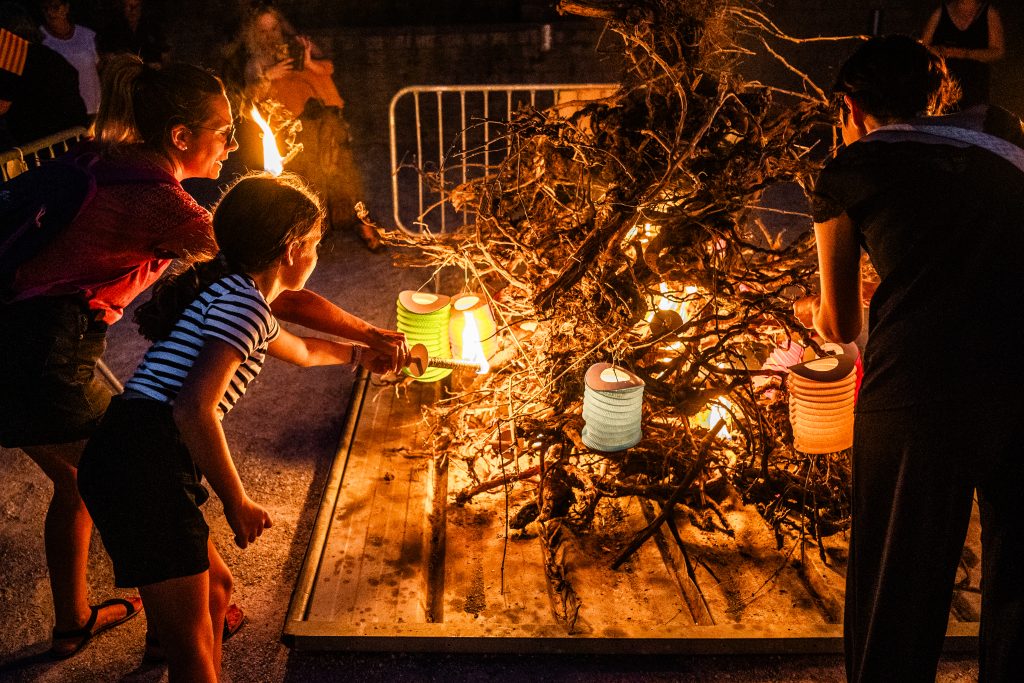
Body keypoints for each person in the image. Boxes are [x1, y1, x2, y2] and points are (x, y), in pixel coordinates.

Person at [0, 52, 405, 660]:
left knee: (79, 478)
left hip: (15, 335)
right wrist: (370, 333)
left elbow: (281, 328)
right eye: (223, 131)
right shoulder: (162, 203)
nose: (232, 142)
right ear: (181, 136)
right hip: (39, 353)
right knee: (130, 478)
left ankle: (77, 621)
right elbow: (270, 284)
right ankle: (188, 606)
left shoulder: (110, 159)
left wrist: (353, 352)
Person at [77, 172, 388, 681]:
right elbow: (193, 410)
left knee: (217, 593)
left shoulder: (237, 295)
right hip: (145, 460)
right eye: (314, 243)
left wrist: (361, 355)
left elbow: (305, 351)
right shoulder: (243, 307)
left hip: (133, 449)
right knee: (193, 656)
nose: (317, 254)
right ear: (290, 250)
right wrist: (236, 501)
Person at [795, 35, 1024, 682]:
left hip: (917, 388)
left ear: (851, 105)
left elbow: (839, 325)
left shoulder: (850, 168)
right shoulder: (1009, 141)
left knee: (899, 583)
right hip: (1018, 381)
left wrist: (810, 310)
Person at [220, 1, 378, 250]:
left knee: (345, 173)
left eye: (273, 28)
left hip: (326, 117)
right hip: (297, 129)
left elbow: (326, 66)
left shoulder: (296, 47)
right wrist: (269, 77)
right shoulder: (257, 63)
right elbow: (250, 103)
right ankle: (313, 233)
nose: (270, 35)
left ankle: (361, 223)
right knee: (310, 182)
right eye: (263, 30)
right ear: (253, 34)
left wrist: (305, 57)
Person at [0, 1, 87, 146]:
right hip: (70, 137)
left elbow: (3, 103)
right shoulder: (45, 57)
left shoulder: (14, 58)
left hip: (46, 143)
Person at [922, 0, 1005, 109]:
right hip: (943, 87)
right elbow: (923, 47)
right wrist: (938, 51)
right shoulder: (941, 12)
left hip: (975, 86)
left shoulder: (989, 13)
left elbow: (998, 51)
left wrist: (965, 54)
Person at [38, 0, 101, 120]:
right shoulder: (40, 38)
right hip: (63, 112)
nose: (50, 13)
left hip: (94, 108)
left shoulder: (86, 35)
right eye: (45, 9)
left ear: (66, 8)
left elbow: (99, 68)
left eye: (55, 7)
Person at [96, 0, 168, 70]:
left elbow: (162, 52)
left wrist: (159, 64)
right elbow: (104, 53)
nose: (133, 11)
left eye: (136, 6)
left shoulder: (150, 26)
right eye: (129, 6)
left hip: (149, 75)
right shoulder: (113, 28)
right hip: (123, 75)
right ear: (123, 7)